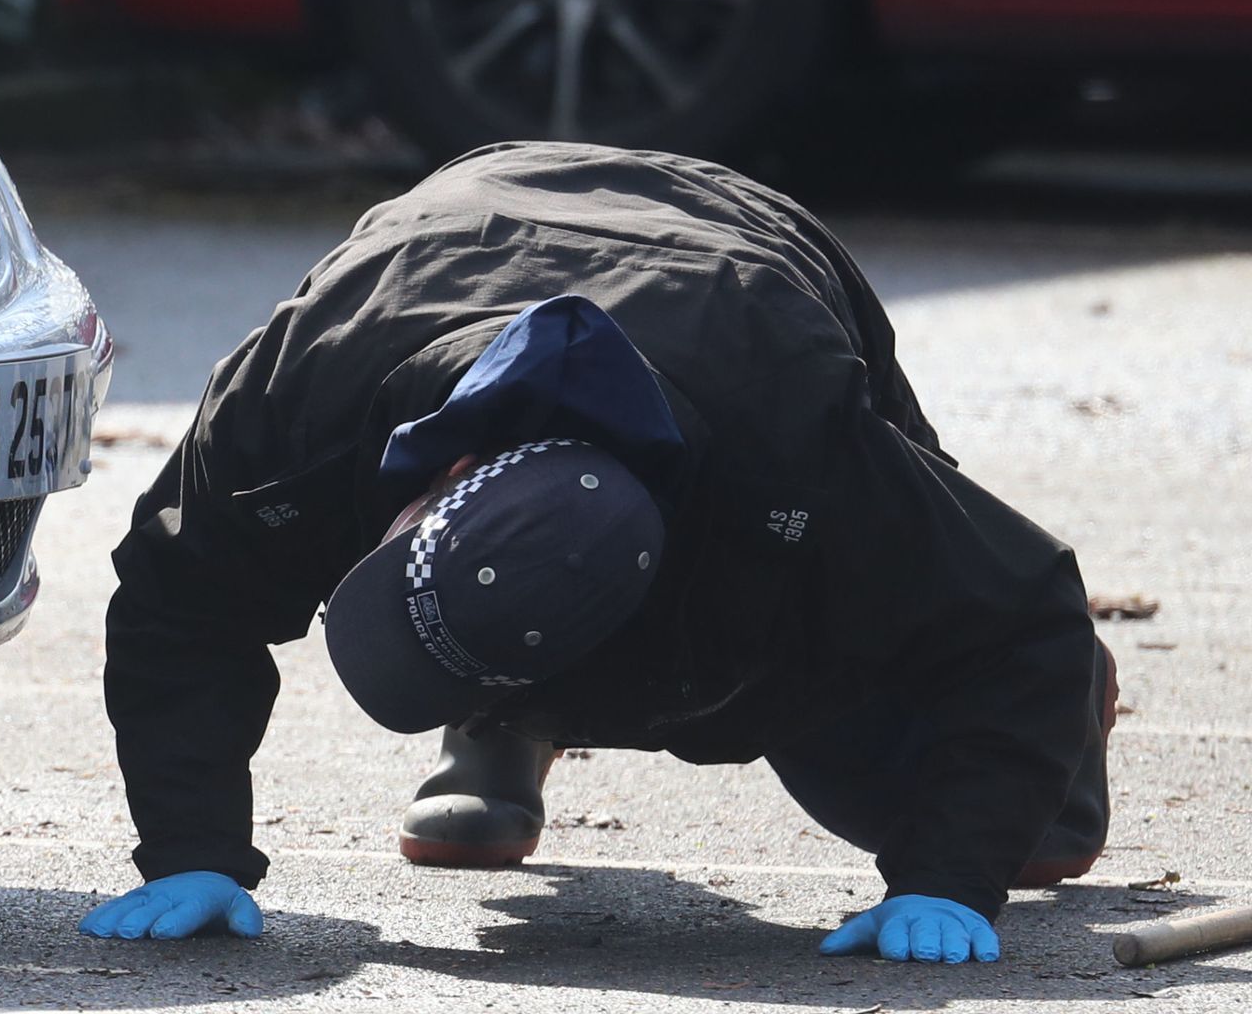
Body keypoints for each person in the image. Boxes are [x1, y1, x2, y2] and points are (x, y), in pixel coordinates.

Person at [77, 144, 1115, 965]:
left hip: (753, 265)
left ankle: (1072, 725)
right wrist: (192, 847)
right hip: (469, 218)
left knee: (1018, 827)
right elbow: (179, 593)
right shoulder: (301, 404)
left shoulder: (801, 433)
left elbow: (1017, 608)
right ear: (442, 475)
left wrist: (947, 871)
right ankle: (496, 729)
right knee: (486, 607)